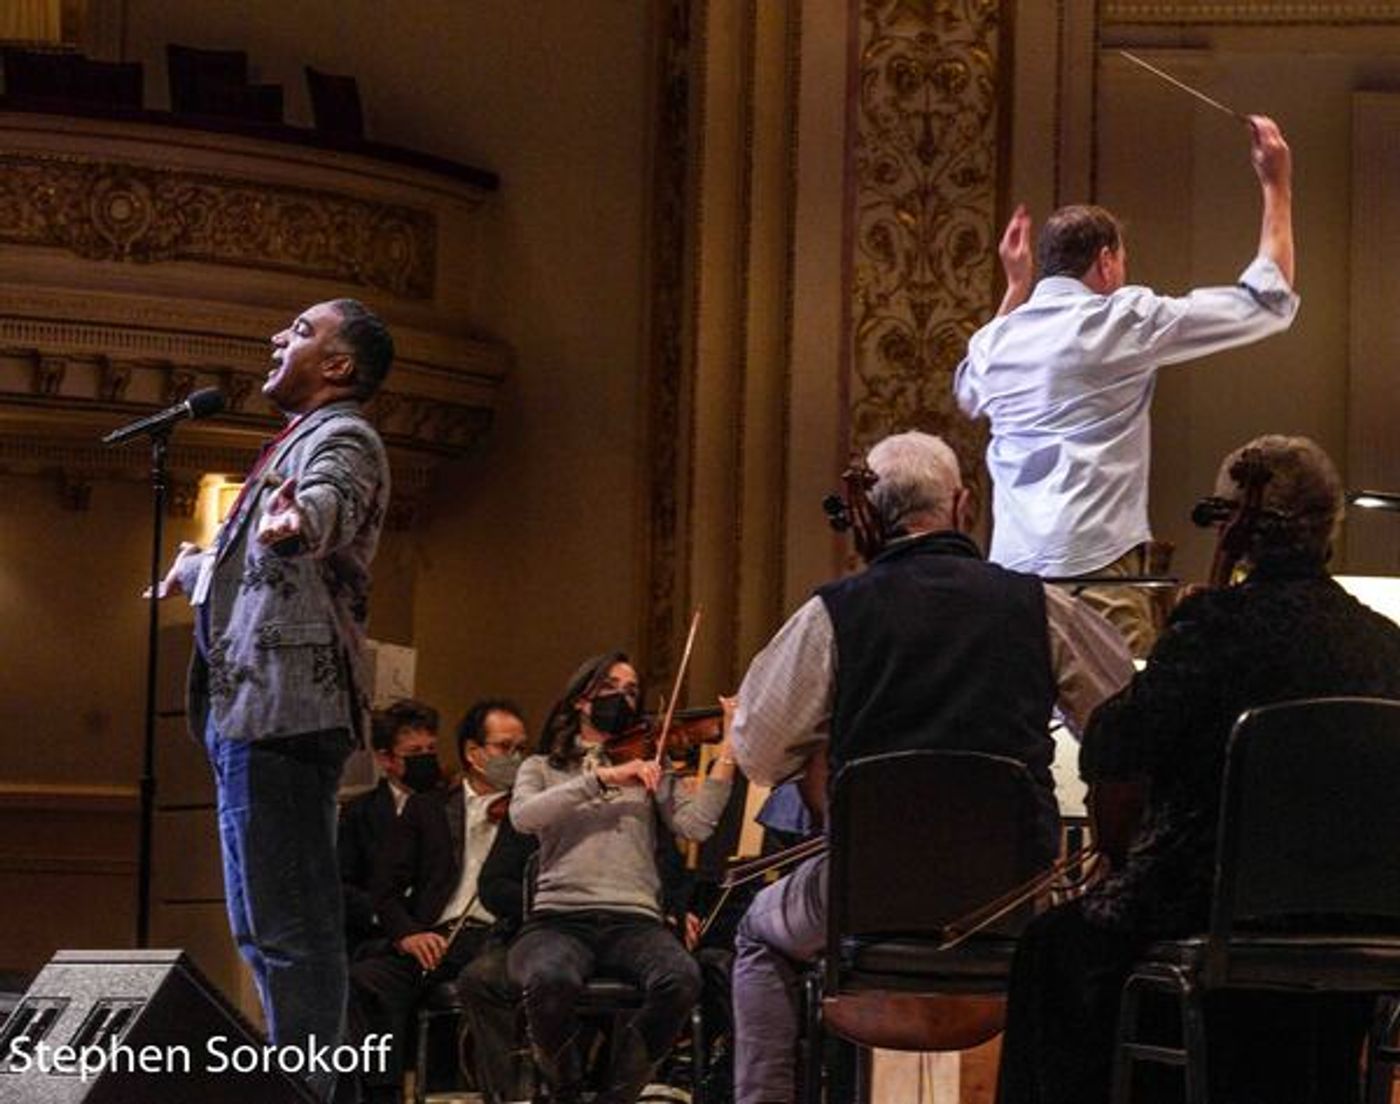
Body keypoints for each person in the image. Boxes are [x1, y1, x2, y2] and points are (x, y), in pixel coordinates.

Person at [727, 430, 1135, 1104]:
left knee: (756, 933)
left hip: (865, 899)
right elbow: (1127, 724)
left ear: (867, 516)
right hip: (1011, 903)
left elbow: (759, 754)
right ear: (965, 504)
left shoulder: (834, 614)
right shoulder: (1040, 606)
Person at [995, 434, 1400, 1104]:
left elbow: (1110, 748)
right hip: (1358, 923)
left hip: (1211, 908)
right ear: (1331, 529)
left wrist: (1186, 625)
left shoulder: (1214, 628)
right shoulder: (1387, 649)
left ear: (1235, 528)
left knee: (1050, 948)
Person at [157, 298, 393, 1102]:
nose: (275, 337)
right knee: (264, 929)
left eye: (298, 331)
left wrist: (305, 519)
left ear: (339, 366)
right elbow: (262, 560)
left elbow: (329, 502)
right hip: (250, 709)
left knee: (293, 933)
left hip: (289, 711)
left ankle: (306, 1094)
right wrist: (200, 569)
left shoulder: (344, 436)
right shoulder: (289, 443)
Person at [954, 116, 1299, 656]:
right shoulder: (1122, 320)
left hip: (1011, 577)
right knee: (1116, 726)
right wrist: (1276, 183)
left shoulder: (995, 342)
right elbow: (1267, 303)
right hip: (1099, 573)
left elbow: (969, 394)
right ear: (1107, 261)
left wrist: (1015, 289)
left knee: (1022, 729)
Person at [507, 653, 738, 1104]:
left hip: (633, 919)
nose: (623, 697)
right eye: (610, 686)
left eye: (631, 690)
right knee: (549, 978)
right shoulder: (542, 767)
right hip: (558, 919)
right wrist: (603, 777)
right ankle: (566, 1089)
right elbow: (523, 817)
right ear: (580, 699)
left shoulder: (651, 766)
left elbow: (696, 826)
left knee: (681, 978)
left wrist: (729, 747)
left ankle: (618, 1094)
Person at [349, 699, 529, 1104]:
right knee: (367, 980)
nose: (515, 758)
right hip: (438, 934)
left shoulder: (531, 811)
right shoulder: (428, 808)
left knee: (485, 980)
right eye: (505, 747)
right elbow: (385, 889)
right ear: (473, 752)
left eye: (522, 748)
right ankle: (382, 1094)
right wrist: (408, 934)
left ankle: (501, 1094)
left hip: (498, 935)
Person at [340, 698, 443, 957]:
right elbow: (343, 885)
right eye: (415, 753)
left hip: (435, 930)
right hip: (374, 934)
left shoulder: (449, 807)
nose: (426, 759)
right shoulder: (359, 813)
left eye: (431, 750)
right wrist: (393, 922)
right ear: (385, 758)